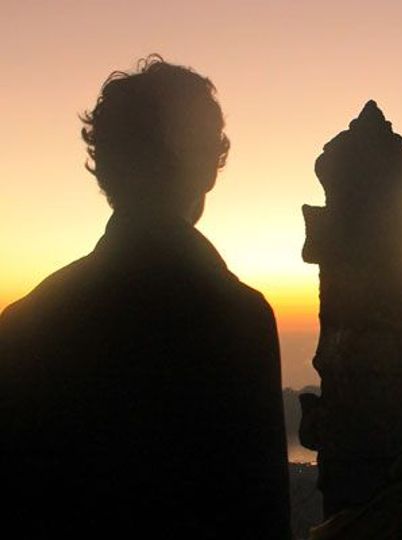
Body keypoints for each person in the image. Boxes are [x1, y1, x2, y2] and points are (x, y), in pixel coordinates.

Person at [0, 55, 291, 538]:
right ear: (208, 170)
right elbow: (258, 512)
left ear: (106, 171)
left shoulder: (28, 320)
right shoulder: (236, 317)